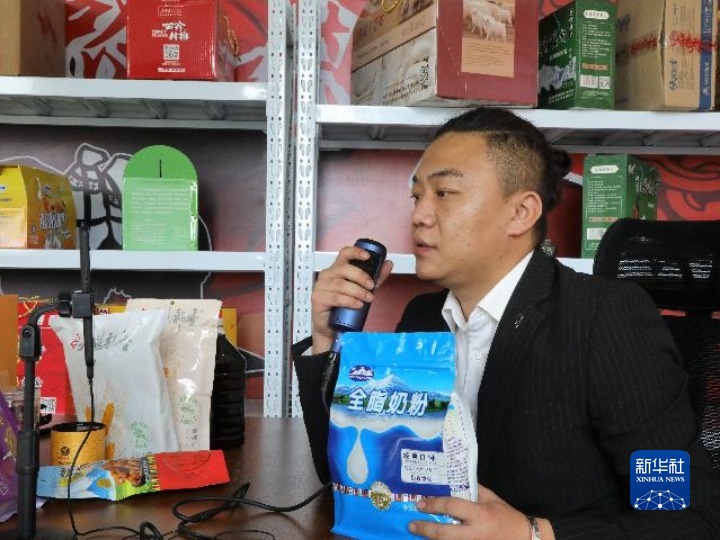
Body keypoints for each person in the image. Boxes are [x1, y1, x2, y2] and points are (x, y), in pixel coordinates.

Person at [293, 107, 720, 540]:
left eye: (445, 192)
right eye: (417, 196)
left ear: (520, 212)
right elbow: (354, 482)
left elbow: (688, 516)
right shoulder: (422, 317)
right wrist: (327, 340)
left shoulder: (607, 319)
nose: (420, 215)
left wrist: (533, 534)